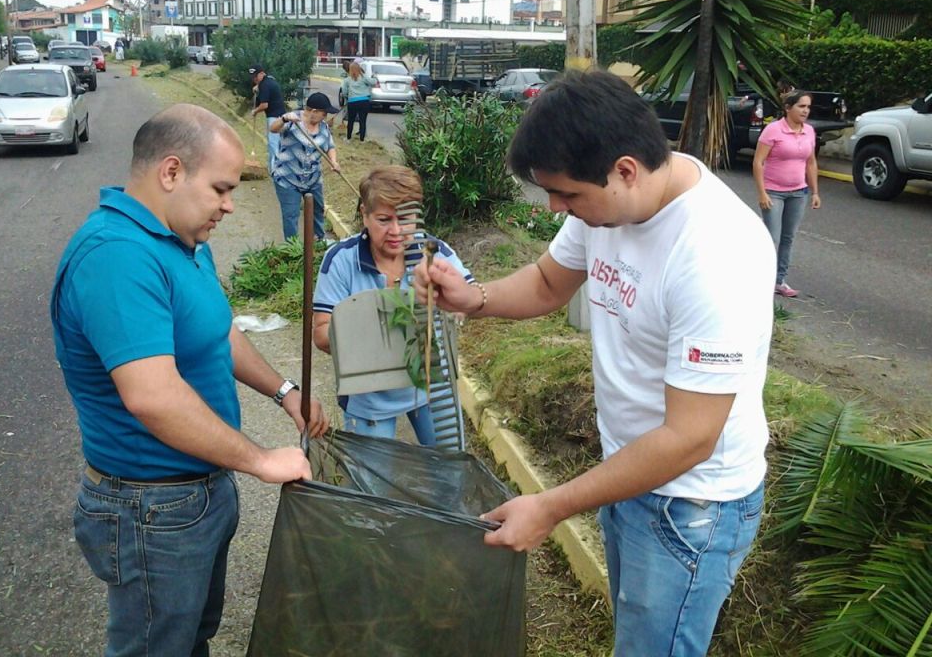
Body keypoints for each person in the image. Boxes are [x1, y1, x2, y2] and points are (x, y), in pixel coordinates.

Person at [414, 71, 775, 656]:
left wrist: (551, 507)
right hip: (629, 472)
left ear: (625, 169)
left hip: (692, 504)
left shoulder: (716, 253)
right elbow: (549, 282)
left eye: (567, 195)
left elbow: (690, 438)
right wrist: (473, 298)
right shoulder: (607, 205)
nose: (558, 208)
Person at [50, 103, 328, 657]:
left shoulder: (182, 240)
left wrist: (283, 391)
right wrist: (258, 460)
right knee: (156, 647)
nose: (229, 205)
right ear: (171, 172)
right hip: (150, 510)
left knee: (189, 637)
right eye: (221, 189)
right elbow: (153, 397)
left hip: (194, 497)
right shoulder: (118, 257)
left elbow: (218, 332)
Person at [312, 165, 474, 444]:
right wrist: (373, 328)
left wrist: (456, 307)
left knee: (451, 471)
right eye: (384, 219)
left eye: (407, 218)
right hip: (369, 394)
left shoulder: (435, 254)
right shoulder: (341, 260)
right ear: (364, 214)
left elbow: (468, 299)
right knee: (373, 481)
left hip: (430, 385)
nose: (397, 231)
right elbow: (321, 333)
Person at [753, 89, 820, 298]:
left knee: (788, 238)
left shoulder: (809, 131)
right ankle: (759, 277)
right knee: (771, 238)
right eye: (801, 106)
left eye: (808, 107)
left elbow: (811, 162)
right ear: (788, 108)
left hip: (799, 192)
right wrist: (762, 193)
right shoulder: (773, 130)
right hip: (774, 192)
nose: (805, 111)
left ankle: (779, 280)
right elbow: (758, 161)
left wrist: (815, 192)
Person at [269, 91, 341, 241]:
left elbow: (330, 146)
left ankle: (318, 241)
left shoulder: (323, 127)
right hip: (288, 179)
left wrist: (334, 161)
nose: (326, 116)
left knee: (318, 210)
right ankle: (292, 249)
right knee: (291, 215)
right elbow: (273, 128)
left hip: (313, 179)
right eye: (324, 113)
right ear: (314, 112)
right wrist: (283, 119)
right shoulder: (292, 120)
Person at [249, 64, 287, 171]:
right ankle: (272, 169)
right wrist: (258, 87)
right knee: (275, 144)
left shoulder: (264, 85)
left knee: (274, 144)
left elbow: (264, 105)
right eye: (253, 77)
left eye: (256, 76)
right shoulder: (269, 81)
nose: (254, 79)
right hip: (280, 116)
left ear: (262, 73)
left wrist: (254, 111)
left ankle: (276, 170)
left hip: (274, 118)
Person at [339, 61, 377, 142]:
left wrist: (348, 97)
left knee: (351, 120)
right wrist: (374, 77)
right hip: (364, 101)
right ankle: (362, 140)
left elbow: (344, 92)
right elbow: (373, 82)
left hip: (352, 102)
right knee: (362, 121)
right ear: (359, 69)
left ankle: (348, 138)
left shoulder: (347, 80)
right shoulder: (364, 78)